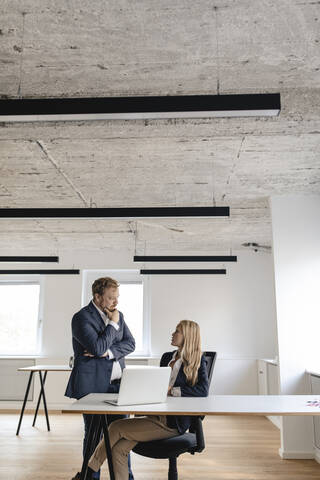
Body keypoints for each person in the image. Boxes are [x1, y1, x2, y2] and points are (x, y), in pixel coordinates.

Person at [87, 320, 209, 480]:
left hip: (171, 423)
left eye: (177, 331)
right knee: (118, 450)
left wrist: (173, 391)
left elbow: (203, 390)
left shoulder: (198, 361)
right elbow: (157, 385)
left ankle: (88, 471)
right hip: (155, 415)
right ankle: (91, 471)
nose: (173, 333)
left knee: (116, 427)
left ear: (187, 336)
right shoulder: (167, 357)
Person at [65, 276, 136, 480]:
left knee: (123, 434)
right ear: (97, 297)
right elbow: (96, 347)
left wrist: (108, 352)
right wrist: (112, 327)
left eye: (117, 297)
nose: (116, 302)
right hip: (93, 386)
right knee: (94, 435)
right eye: (111, 297)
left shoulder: (118, 315)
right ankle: (90, 477)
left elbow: (130, 344)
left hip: (119, 386)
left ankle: (126, 476)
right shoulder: (81, 318)